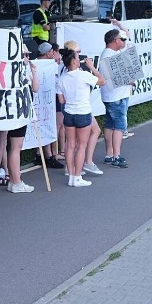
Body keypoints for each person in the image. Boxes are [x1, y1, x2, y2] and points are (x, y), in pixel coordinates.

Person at [57, 49, 105, 187]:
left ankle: (71, 176)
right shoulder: (83, 75)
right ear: (73, 61)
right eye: (78, 58)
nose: (80, 60)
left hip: (69, 113)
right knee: (81, 146)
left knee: (70, 145)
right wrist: (92, 67)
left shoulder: (62, 79)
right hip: (83, 113)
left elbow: (61, 100)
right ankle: (77, 177)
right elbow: (102, 81)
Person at [6, 44, 41, 192]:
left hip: (21, 111)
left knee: (14, 147)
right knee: (15, 147)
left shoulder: (24, 71)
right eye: (25, 55)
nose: (27, 57)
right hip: (17, 112)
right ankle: (17, 181)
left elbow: (35, 88)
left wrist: (34, 72)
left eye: (28, 55)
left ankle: (14, 180)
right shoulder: (14, 72)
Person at [99, 20, 133, 168]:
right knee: (119, 125)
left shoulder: (112, 53)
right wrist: (129, 81)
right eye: (122, 39)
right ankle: (116, 156)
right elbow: (113, 78)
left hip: (114, 95)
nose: (124, 41)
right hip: (116, 96)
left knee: (110, 124)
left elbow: (129, 36)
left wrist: (119, 26)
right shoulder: (109, 56)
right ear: (114, 41)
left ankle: (109, 154)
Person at [36, 42, 64, 169]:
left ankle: (45, 154)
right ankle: (48, 155)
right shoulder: (38, 64)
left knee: (50, 123)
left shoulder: (50, 63)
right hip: (44, 98)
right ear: (48, 53)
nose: (54, 53)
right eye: (52, 52)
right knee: (46, 123)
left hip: (50, 96)